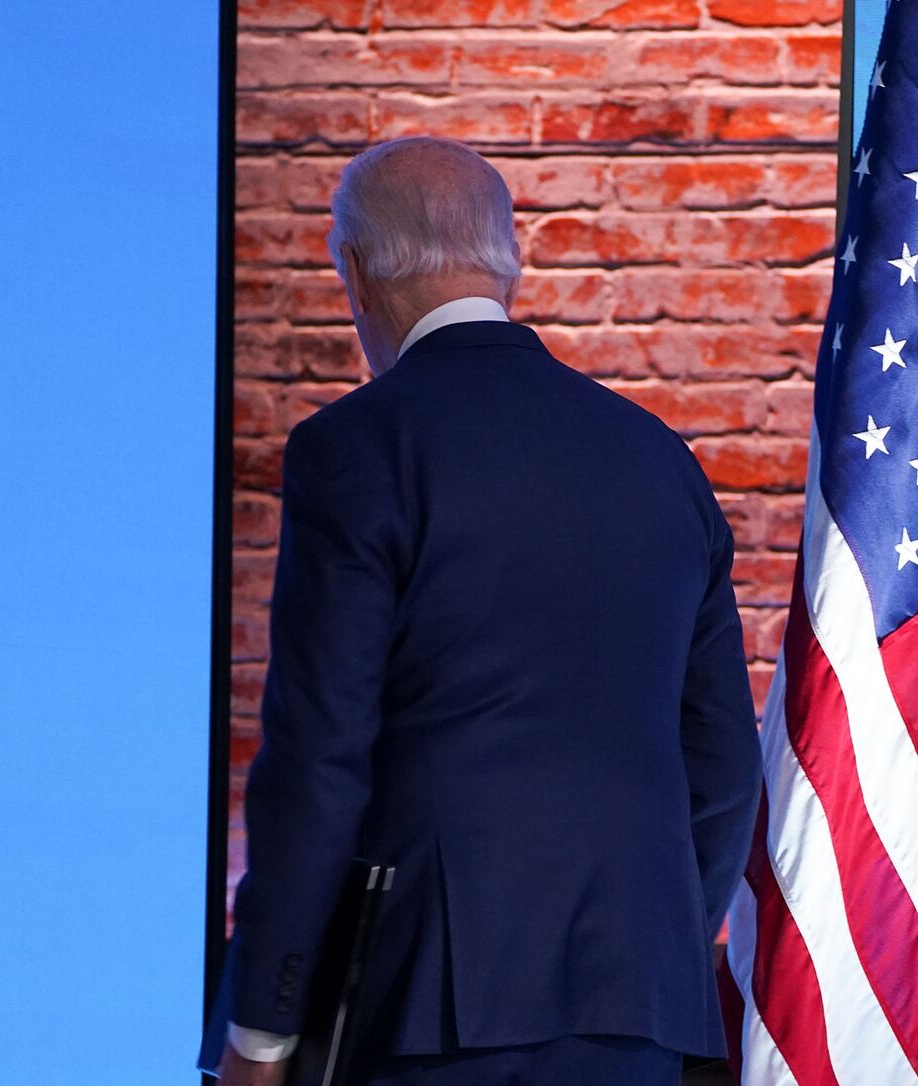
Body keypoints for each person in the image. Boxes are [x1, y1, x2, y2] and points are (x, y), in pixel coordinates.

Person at [201, 136, 763, 1086]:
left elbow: (319, 761)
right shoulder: (662, 459)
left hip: (425, 1010)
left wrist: (262, 1027)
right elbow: (723, 766)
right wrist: (651, 938)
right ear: (511, 263)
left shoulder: (354, 449)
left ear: (357, 272)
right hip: (637, 1008)